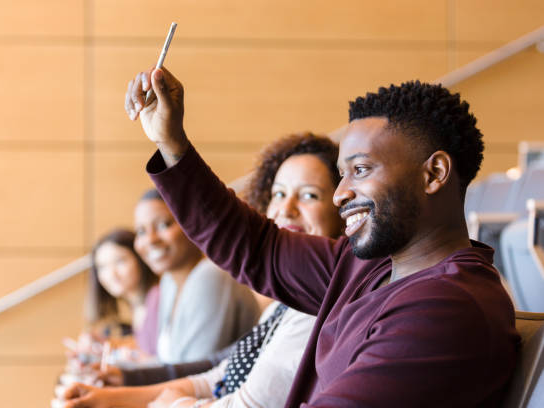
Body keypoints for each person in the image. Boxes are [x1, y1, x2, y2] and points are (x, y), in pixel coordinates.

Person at [120, 67, 519, 407]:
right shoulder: (367, 265)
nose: (341, 192)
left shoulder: (447, 308)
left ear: (433, 174)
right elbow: (254, 246)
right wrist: (170, 141)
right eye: (342, 173)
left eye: (360, 170)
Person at [62, 132, 344, 407]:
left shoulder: (215, 279)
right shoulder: (282, 305)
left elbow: (236, 397)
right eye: (278, 194)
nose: (286, 208)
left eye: (308, 195)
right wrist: (108, 397)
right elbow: (217, 373)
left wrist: (169, 402)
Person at [134, 189, 260, 364]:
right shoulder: (168, 282)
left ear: (194, 224)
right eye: (141, 231)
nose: (150, 239)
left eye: (163, 225)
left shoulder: (210, 276)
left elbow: (192, 370)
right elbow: (167, 364)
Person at [85, 228, 159, 355]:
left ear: (140, 259)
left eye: (120, 261)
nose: (111, 274)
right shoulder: (138, 307)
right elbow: (145, 345)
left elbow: (158, 354)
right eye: (102, 267)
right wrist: (108, 344)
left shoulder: (157, 298)